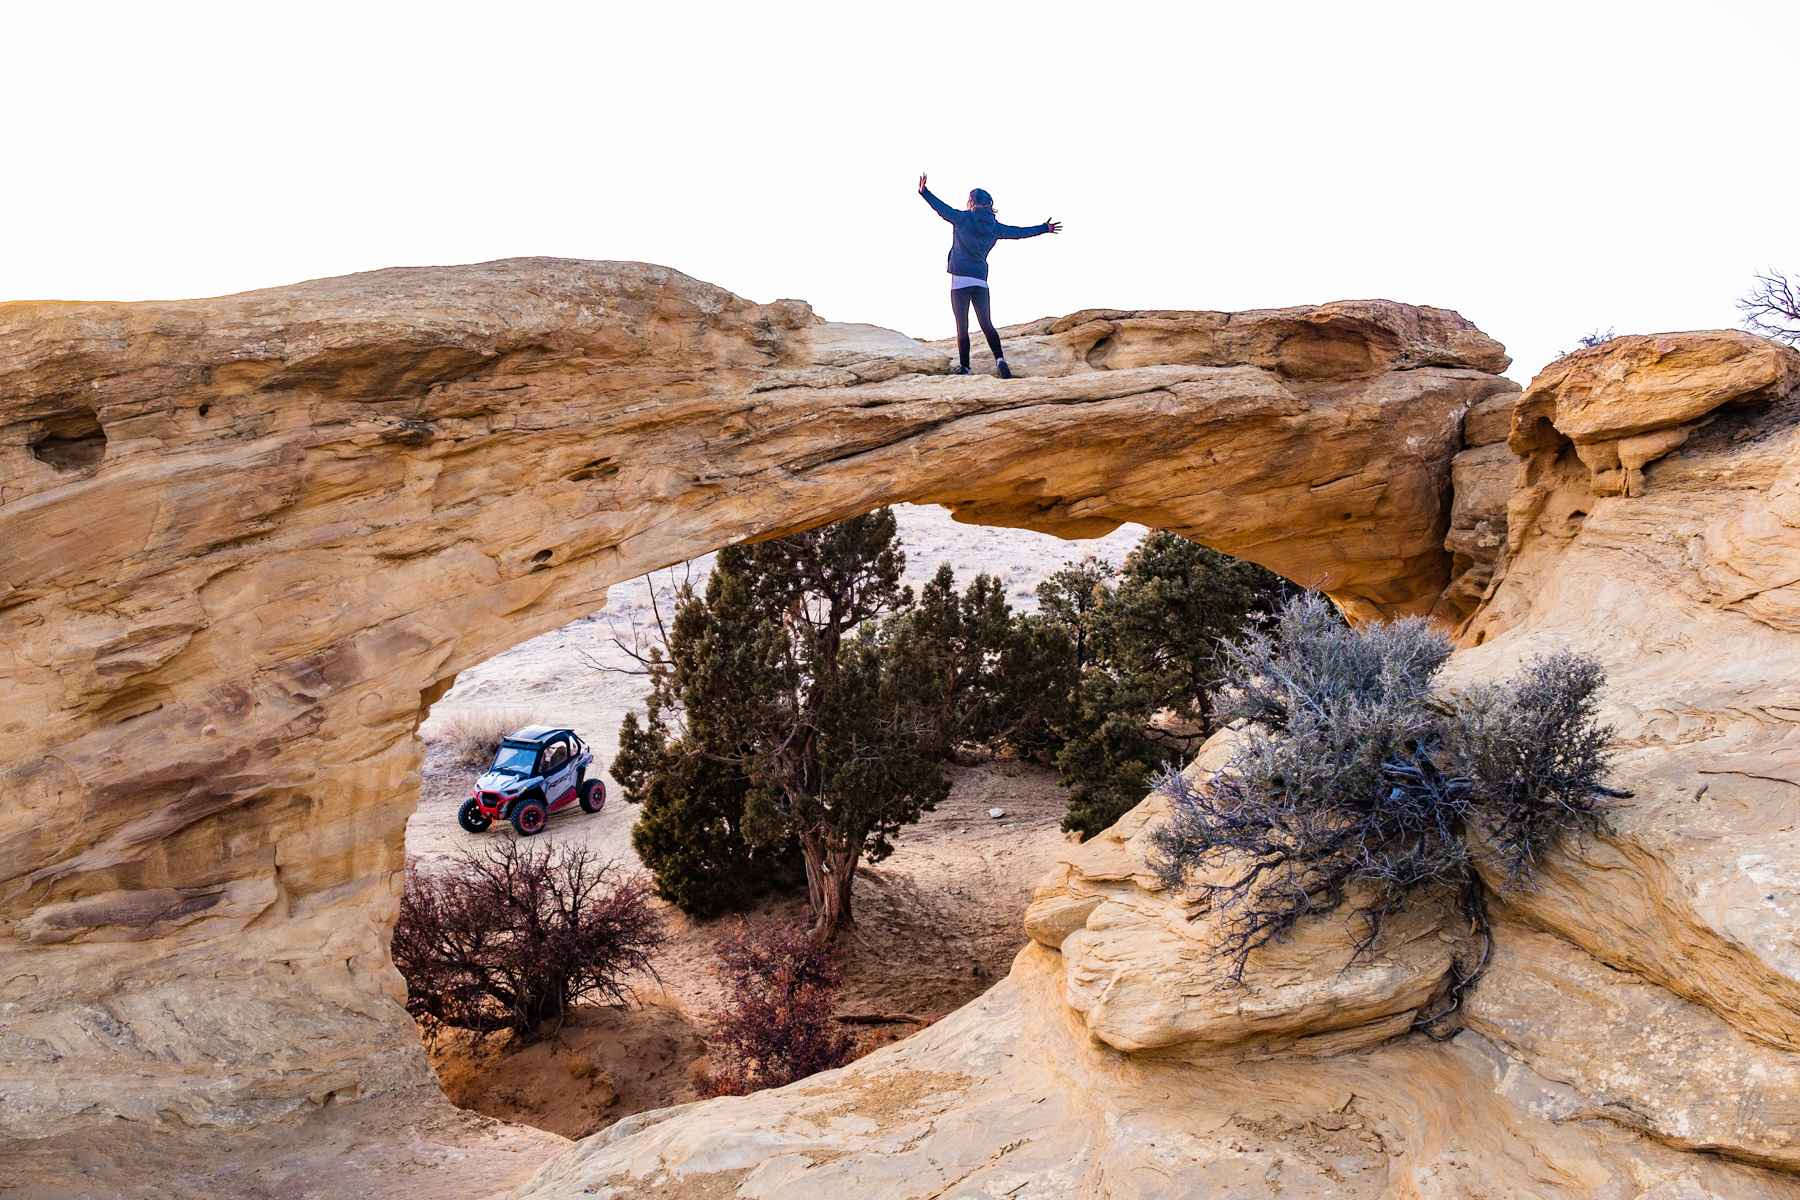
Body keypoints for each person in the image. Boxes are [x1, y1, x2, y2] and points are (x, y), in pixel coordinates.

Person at [918, 174, 1061, 378]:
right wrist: (1043, 228)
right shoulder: (994, 227)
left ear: (971, 202)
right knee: (986, 323)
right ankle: (1000, 360)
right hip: (980, 281)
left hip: (960, 280)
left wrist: (924, 192)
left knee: (962, 326)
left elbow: (942, 209)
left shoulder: (963, 218)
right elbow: (1018, 232)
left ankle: (966, 367)